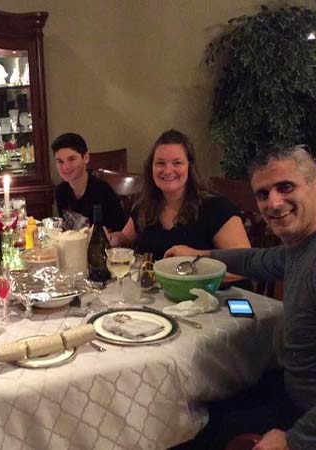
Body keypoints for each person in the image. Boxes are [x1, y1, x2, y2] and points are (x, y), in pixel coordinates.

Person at [170, 146, 316, 450]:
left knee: (198, 433)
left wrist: (293, 440)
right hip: (292, 391)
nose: (274, 202)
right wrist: (201, 254)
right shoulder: (298, 249)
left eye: (286, 187)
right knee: (199, 409)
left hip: (304, 416)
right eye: (263, 194)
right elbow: (254, 261)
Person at [109, 129, 250, 261]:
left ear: (190, 166)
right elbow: (125, 239)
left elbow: (244, 262)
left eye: (177, 163)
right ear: (151, 167)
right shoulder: (146, 206)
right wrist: (109, 238)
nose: (168, 170)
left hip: (213, 287)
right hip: (162, 287)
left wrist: (196, 256)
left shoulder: (216, 208)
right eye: (160, 163)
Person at [52, 132, 126, 231]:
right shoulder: (60, 191)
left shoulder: (102, 191)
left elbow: (120, 231)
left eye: (72, 159)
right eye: (60, 161)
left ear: (86, 158)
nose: (65, 167)